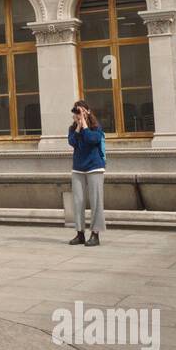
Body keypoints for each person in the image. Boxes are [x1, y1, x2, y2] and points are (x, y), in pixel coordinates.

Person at [67, 100, 105, 246]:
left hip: (95, 167)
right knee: (78, 202)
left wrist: (84, 124)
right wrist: (78, 126)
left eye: (81, 111)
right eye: (76, 112)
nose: (78, 114)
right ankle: (80, 233)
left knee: (96, 202)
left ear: (88, 111)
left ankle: (95, 234)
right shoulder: (73, 129)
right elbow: (72, 142)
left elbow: (91, 139)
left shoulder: (96, 128)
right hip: (78, 168)